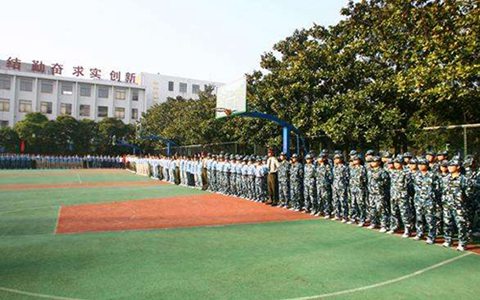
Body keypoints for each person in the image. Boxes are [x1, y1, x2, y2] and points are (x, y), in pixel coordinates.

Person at [443, 159, 469, 251]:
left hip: (459, 206)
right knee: (447, 223)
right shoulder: (445, 178)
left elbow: (469, 193)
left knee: (461, 225)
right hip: (447, 205)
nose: (449, 167)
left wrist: (463, 201)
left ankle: (462, 243)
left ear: (458, 167)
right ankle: (448, 240)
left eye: (452, 165)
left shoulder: (464, 179)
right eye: (448, 165)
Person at [413, 158, 439, 244]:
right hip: (418, 200)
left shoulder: (432, 175)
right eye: (419, 164)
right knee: (419, 218)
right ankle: (419, 233)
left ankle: (431, 236)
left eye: (422, 164)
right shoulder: (416, 175)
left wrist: (434, 198)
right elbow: (412, 188)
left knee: (430, 219)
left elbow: (437, 188)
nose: (420, 166)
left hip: (429, 201)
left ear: (427, 165)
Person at [389, 155, 412, 237]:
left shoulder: (406, 173)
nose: (396, 164)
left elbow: (409, 186)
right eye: (395, 163)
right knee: (394, 212)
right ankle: (394, 226)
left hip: (402, 196)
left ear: (402, 163)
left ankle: (407, 229)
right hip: (393, 195)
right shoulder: (392, 172)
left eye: (398, 163)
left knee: (404, 213)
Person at [367, 156, 389, 232]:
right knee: (372, 208)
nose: (372, 163)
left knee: (381, 209)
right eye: (371, 162)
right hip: (371, 193)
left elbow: (386, 182)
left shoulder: (382, 171)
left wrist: (379, 186)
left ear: (379, 162)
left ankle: (384, 225)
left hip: (380, 193)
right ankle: (373, 223)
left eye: (374, 161)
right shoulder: (370, 171)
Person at [348, 154, 367, 225]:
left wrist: (361, 186)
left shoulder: (362, 168)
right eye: (353, 160)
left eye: (356, 160)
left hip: (360, 188)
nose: (354, 161)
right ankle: (354, 218)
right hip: (353, 188)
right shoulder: (352, 168)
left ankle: (362, 219)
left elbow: (364, 179)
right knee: (353, 204)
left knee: (360, 204)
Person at [332, 152, 349, 222]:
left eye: (338, 158)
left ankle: (344, 216)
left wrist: (345, 185)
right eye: (335, 158)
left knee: (343, 201)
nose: (336, 160)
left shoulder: (344, 167)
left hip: (342, 186)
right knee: (335, 201)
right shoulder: (334, 167)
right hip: (335, 186)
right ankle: (337, 215)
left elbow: (347, 177)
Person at [315, 152, 333, 218]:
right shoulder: (318, 166)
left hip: (325, 185)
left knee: (326, 199)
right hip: (319, 185)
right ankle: (320, 211)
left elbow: (330, 176)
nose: (319, 159)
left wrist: (327, 183)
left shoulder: (327, 166)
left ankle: (327, 212)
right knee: (319, 198)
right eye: (319, 157)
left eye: (320, 157)